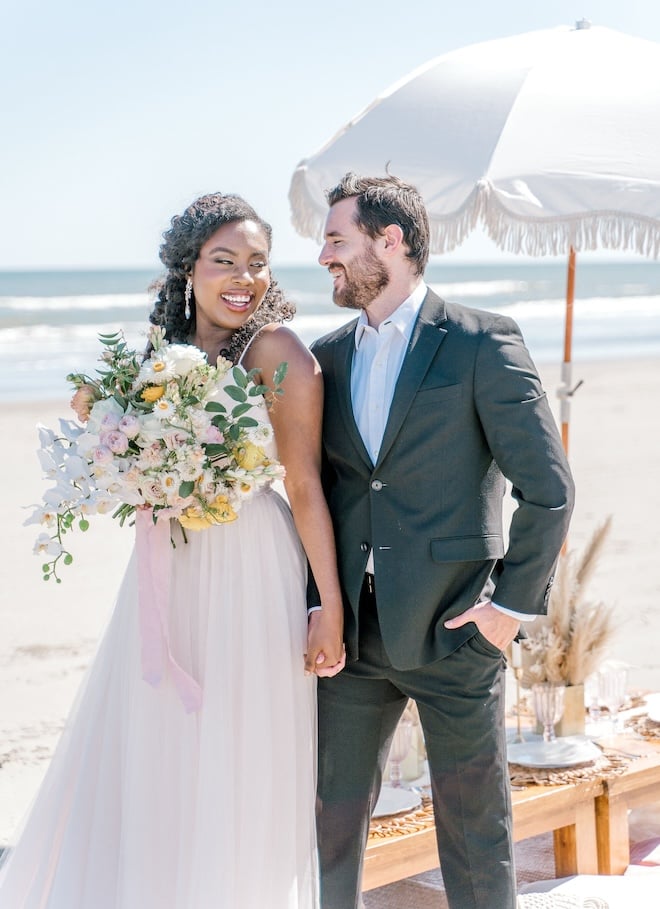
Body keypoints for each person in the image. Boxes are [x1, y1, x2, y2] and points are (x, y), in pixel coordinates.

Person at [0, 192, 344, 908]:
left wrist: (329, 604)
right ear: (189, 269)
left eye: (256, 262)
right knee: (158, 743)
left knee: (236, 746)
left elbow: (304, 482)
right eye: (225, 261)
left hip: (251, 563)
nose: (243, 277)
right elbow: (119, 435)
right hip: (167, 565)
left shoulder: (278, 352)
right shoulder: (162, 357)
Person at [310, 173, 575, 909]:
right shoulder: (325, 357)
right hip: (352, 644)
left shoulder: (482, 341)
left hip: (455, 635)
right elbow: (328, 493)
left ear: (389, 241)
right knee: (329, 828)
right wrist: (319, 605)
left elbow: (550, 489)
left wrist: (506, 610)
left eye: (338, 238)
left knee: (474, 832)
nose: (324, 253)